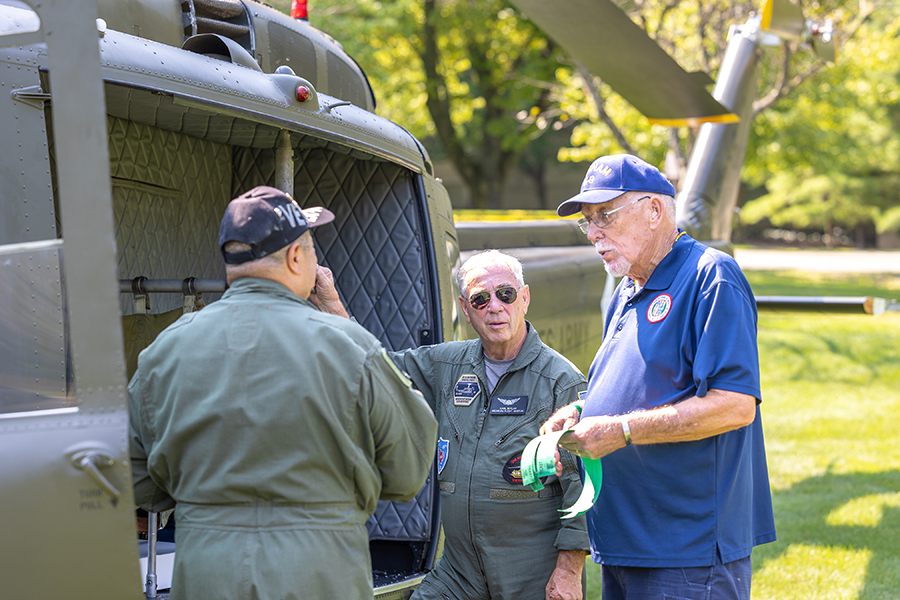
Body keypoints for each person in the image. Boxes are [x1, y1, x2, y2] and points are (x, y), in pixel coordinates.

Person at [128, 185, 437, 600]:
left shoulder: (164, 351)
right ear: (295, 257)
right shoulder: (349, 347)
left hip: (206, 573)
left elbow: (137, 481)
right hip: (319, 576)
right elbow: (409, 471)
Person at [541, 154, 776, 600]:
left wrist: (620, 430)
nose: (593, 233)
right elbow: (641, 386)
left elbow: (735, 404)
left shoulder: (711, 275)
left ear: (653, 211)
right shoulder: (627, 289)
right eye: (587, 221)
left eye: (605, 215)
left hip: (687, 549)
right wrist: (579, 412)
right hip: (625, 541)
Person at [314, 249, 590, 600]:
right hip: (460, 572)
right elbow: (374, 368)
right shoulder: (447, 365)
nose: (494, 307)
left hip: (532, 573)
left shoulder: (560, 381)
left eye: (505, 294)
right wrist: (330, 302)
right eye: (480, 299)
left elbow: (583, 487)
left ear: (524, 298)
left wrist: (568, 571)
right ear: (465, 308)